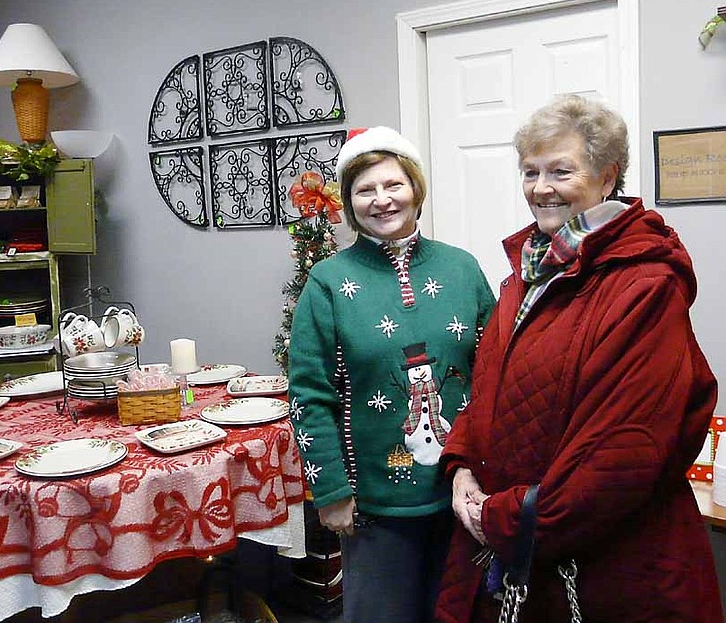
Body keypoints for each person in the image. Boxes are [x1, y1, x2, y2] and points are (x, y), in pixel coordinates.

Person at [436, 94, 722, 623]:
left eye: (560, 171)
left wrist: (498, 515)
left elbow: (620, 455)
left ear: (608, 175)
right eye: (530, 171)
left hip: (607, 570)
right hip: (514, 554)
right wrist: (460, 468)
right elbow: (488, 393)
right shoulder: (528, 272)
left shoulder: (645, 286)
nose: (541, 188)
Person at [288, 126, 496, 623]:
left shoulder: (462, 269)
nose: (382, 200)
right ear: (350, 201)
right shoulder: (328, 282)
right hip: (374, 507)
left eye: (393, 185)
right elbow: (309, 394)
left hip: (463, 497)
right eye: (365, 190)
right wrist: (333, 491)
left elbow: (494, 372)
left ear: (415, 190)